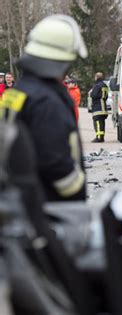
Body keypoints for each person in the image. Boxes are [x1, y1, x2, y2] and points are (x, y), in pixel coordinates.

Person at [0, 14, 88, 201]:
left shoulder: (18, 91)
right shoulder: (46, 102)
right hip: (52, 209)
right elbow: (55, 162)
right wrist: (77, 189)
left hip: (24, 204)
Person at [90, 72, 109, 142]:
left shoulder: (97, 85)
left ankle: (98, 137)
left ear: (96, 77)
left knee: (97, 122)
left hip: (98, 107)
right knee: (102, 123)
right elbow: (106, 96)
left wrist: (91, 93)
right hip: (104, 106)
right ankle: (102, 137)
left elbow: (93, 95)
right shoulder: (105, 85)